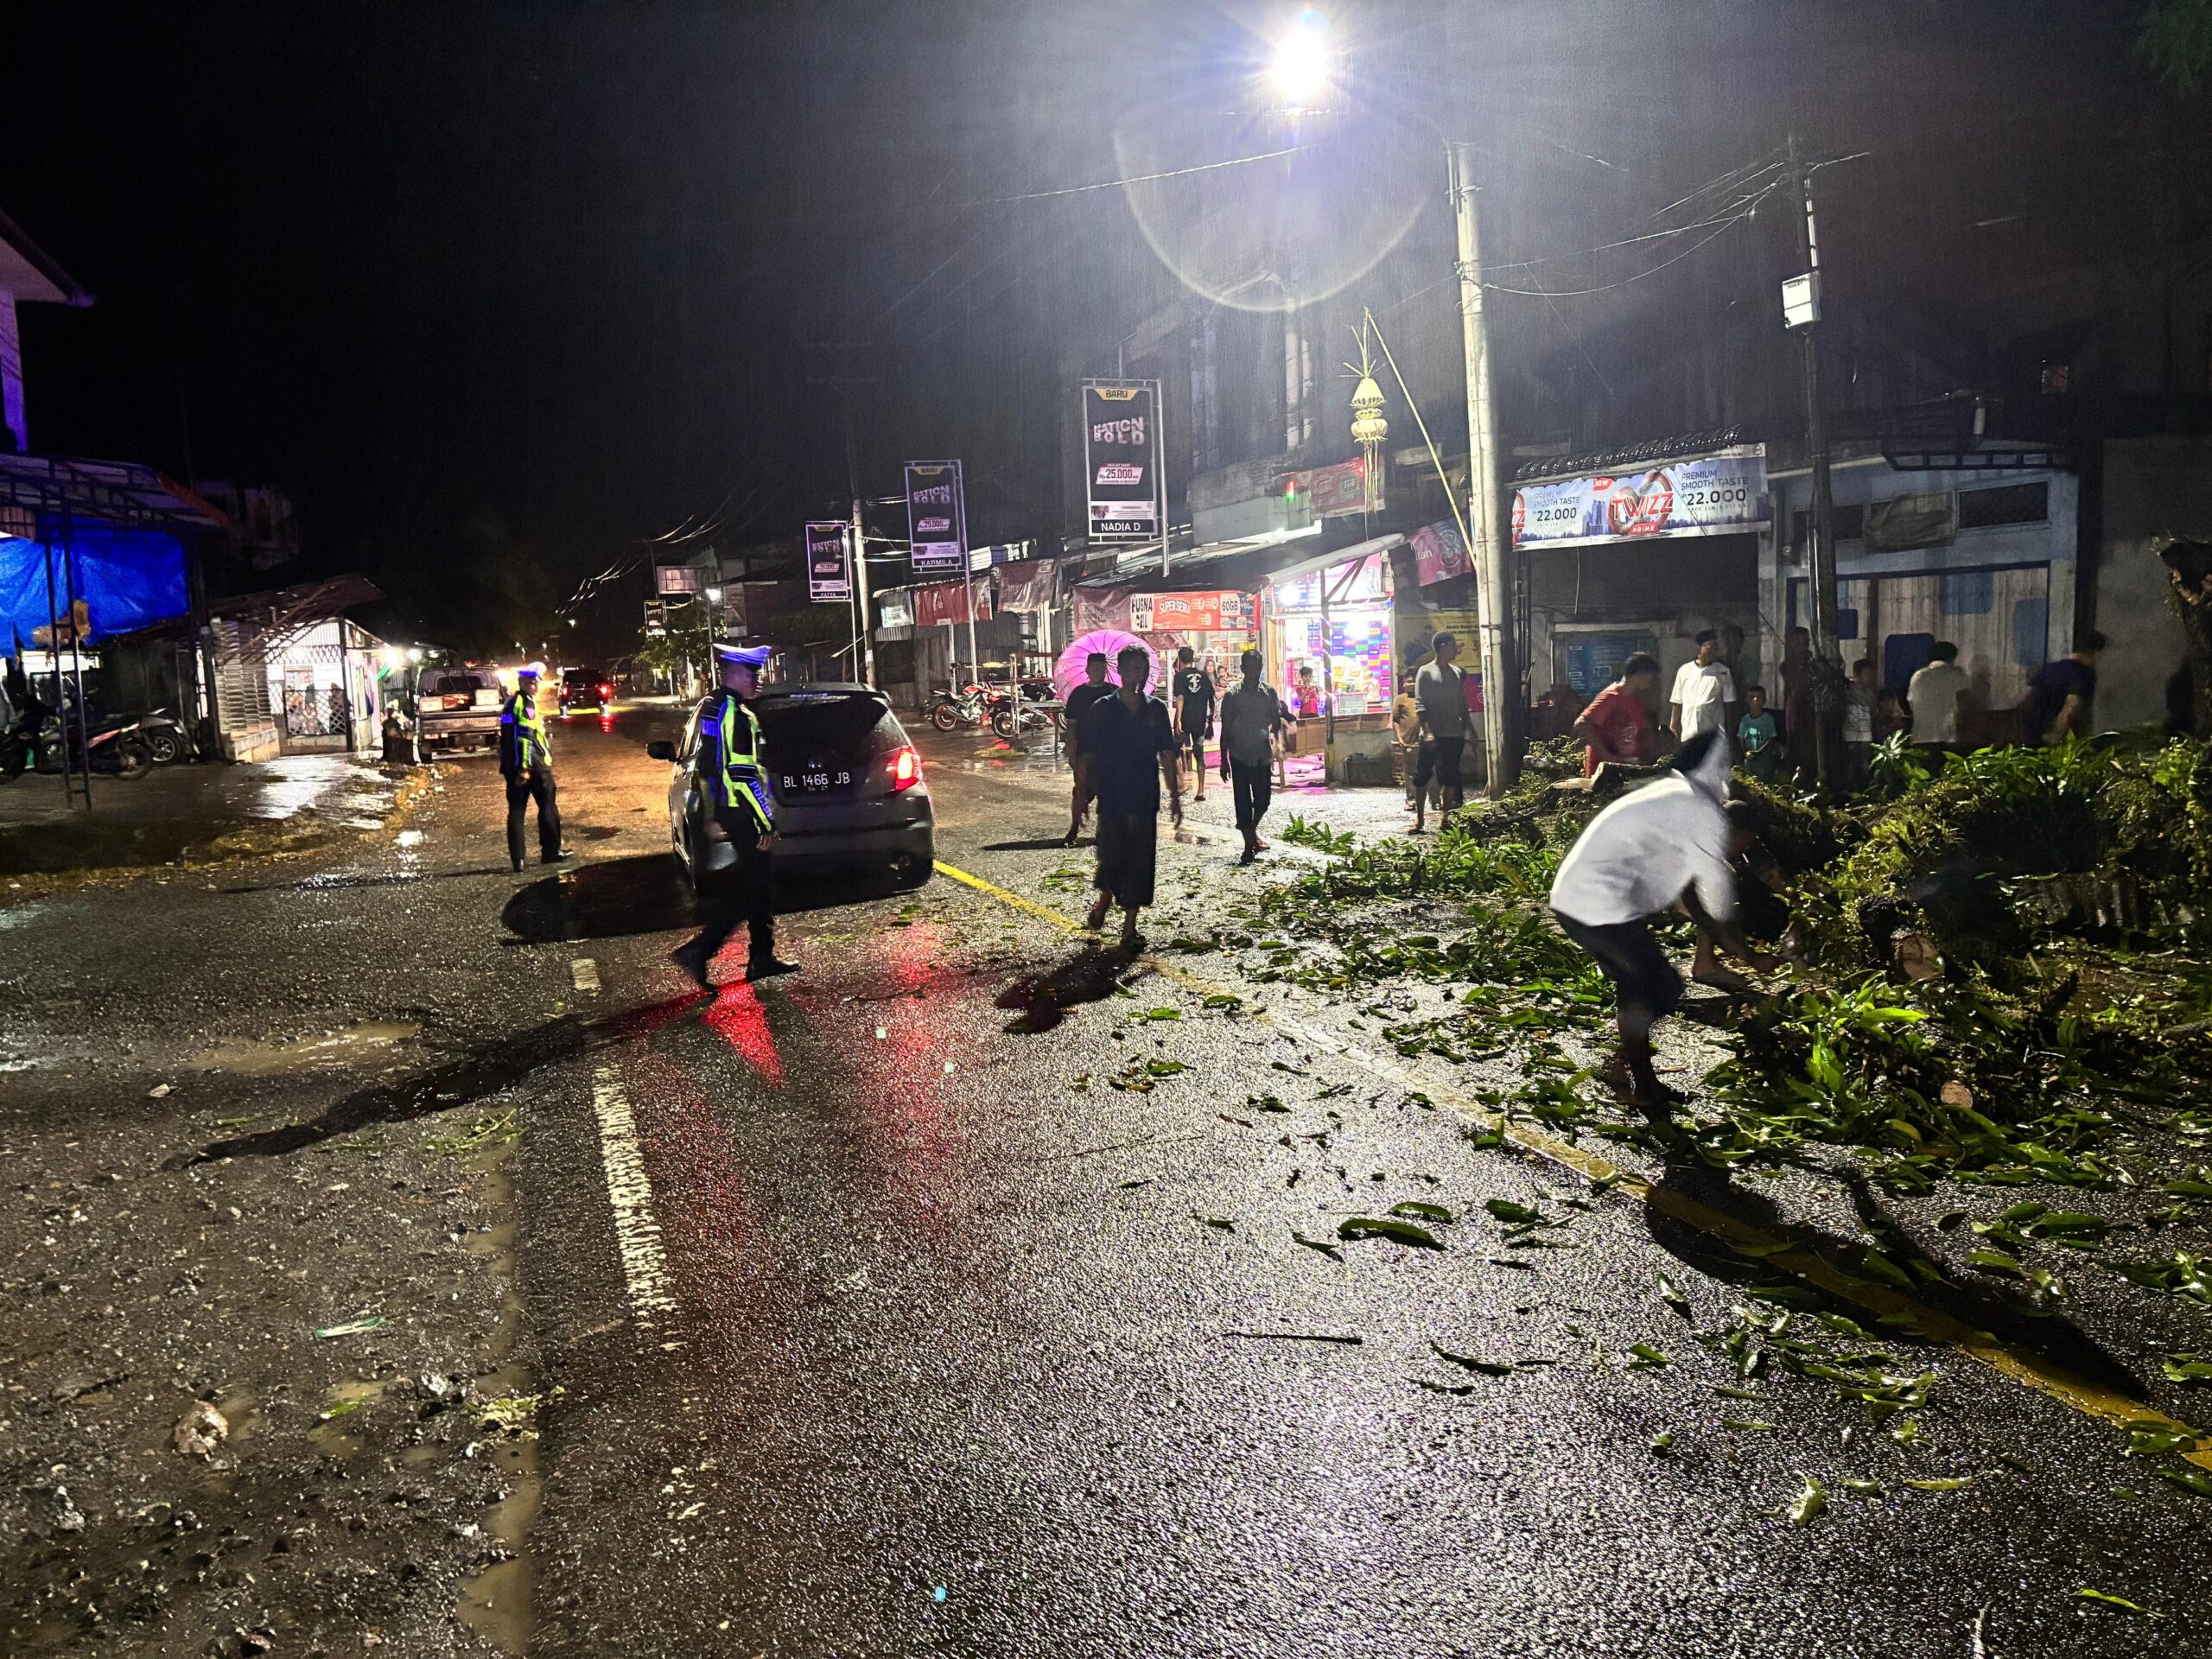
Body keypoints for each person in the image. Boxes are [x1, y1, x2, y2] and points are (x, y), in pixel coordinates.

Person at [1548, 731, 1779, 1108]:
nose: (1744, 851)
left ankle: (1626, 1071)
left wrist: (1745, 954)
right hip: (1597, 902)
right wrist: (1752, 958)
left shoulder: (1678, 796)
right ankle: (1637, 1083)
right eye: (1747, 843)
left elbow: (1692, 897)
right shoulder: (1702, 812)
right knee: (1659, 986)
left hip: (1584, 898)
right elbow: (1717, 909)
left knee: (1641, 984)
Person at [671, 643, 798, 988]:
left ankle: (759, 957)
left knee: (755, 886)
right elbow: (741, 775)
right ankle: (703, 951)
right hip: (744, 814)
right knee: (755, 887)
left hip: (729, 811)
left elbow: (708, 767)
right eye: (752, 673)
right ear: (735, 674)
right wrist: (766, 821)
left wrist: (712, 812)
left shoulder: (715, 708)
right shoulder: (737, 716)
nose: (758, 679)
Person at [1084, 644, 1181, 949]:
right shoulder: (1102, 708)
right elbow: (1088, 755)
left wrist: (1175, 796)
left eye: (1143, 669)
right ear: (1121, 671)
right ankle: (1104, 899)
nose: (1138, 675)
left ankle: (1129, 927)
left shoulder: (1156, 709)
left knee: (1140, 860)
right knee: (1112, 855)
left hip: (1143, 795)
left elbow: (1166, 754)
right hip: (1112, 795)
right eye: (1133, 668)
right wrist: (1080, 797)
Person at [1217, 647, 1289, 864]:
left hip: (1262, 755)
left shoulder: (1269, 693)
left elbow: (1276, 724)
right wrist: (1223, 759)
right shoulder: (1232, 695)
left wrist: (1279, 745)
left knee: (1263, 800)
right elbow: (1226, 729)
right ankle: (1249, 845)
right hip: (1238, 755)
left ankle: (1251, 832)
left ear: (1261, 668)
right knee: (1242, 802)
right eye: (1249, 668)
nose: (1253, 672)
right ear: (1242, 669)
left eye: (1257, 668)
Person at [498, 667, 568, 874]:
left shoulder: (509, 705)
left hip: (511, 765)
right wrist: (525, 768)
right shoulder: (526, 704)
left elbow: (507, 735)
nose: (536, 686)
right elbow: (524, 736)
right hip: (533, 766)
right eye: (532, 683)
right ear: (524, 684)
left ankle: (518, 859)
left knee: (516, 811)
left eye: (536, 682)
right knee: (547, 806)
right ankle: (551, 851)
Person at [1411, 631, 1468, 833]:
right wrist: (1427, 731)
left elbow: (1462, 703)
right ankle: (1419, 820)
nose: (1456, 649)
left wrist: (1468, 728)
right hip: (1431, 735)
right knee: (1422, 776)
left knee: (1450, 776)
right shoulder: (1425, 672)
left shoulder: (1457, 672)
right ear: (1443, 647)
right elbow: (1421, 704)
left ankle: (1446, 818)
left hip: (1453, 733)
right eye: (1453, 645)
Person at [1573, 652, 1662, 779]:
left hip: (1626, 770)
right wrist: (1608, 757)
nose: (1651, 682)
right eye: (1649, 676)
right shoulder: (1611, 696)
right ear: (1639, 674)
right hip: (1605, 773)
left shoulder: (1635, 701)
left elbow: (1642, 735)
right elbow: (1582, 723)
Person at [1061, 652, 1115, 847]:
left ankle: (1102, 832)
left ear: (1106, 669)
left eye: (1102, 668)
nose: (1098, 672)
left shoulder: (1114, 692)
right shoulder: (1078, 694)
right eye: (1094, 668)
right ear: (1087, 670)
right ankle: (1074, 828)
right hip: (1085, 752)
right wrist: (1071, 750)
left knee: (1106, 794)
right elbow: (1071, 725)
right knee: (1080, 793)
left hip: (1109, 753)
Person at [2026, 630, 2105, 745]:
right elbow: (2072, 707)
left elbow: (2028, 700)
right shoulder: (2084, 673)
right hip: (2054, 740)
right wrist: (2056, 736)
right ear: (2095, 653)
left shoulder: (2049, 668)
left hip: (2030, 736)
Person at [1669, 629, 1738, 744]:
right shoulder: (1684, 670)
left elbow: (1729, 704)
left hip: (1714, 734)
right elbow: (1677, 702)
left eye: (1716, 649)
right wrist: (1673, 726)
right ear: (1699, 649)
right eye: (1709, 649)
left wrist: (1729, 732)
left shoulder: (1723, 671)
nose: (1713, 653)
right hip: (1690, 733)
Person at [1170, 645, 1217, 804]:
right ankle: (1201, 789)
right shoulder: (1203, 676)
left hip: (1184, 719)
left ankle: (1182, 783)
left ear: (1180, 660)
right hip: (1199, 719)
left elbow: (1180, 698)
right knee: (1199, 753)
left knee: (1175, 750)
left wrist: (1179, 720)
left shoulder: (1179, 677)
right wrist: (1209, 720)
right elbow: (1212, 698)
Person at [1905, 641, 1969, 747]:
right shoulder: (1957, 674)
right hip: (1948, 737)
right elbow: (1965, 702)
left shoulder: (1918, 675)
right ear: (1952, 657)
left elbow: (1912, 702)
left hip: (1921, 737)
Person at [1780, 625, 1815, 779]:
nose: (1802, 646)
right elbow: (1795, 685)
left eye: (1805, 642)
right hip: (1794, 712)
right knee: (1793, 745)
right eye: (1798, 642)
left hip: (1811, 712)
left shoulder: (1814, 664)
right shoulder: (1787, 665)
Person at [1390, 657, 1424, 810]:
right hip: (1408, 742)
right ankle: (1411, 800)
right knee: (1410, 773)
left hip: (1425, 741)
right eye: (1408, 681)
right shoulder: (1400, 699)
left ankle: (1434, 801)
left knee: (1428, 771)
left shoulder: (1424, 698)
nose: (1411, 684)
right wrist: (1399, 738)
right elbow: (1395, 720)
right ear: (1404, 683)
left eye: (1414, 681)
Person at [1841, 658, 1877, 789]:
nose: (1870, 677)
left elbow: (1873, 711)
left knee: (1864, 765)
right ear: (1857, 674)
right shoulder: (1847, 690)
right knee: (1851, 765)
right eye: (1867, 674)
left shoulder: (1870, 693)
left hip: (1865, 734)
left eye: (1871, 674)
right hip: (1850, 735)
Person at [1738, 685, 1780, 782]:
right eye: (1752, 697)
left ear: (1764, 700)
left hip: (1765, 761)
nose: (1755, 700)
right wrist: (1745, 752)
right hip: (1750, 762)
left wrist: (1759, 752)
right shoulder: (1744, 720)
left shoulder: (1768, 719)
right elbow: (1741, 738)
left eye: (1759, 697)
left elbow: (1772, 738)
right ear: (1747, 700)